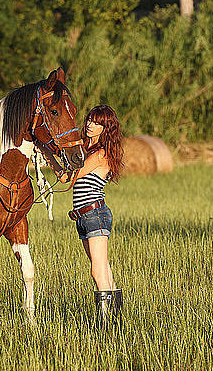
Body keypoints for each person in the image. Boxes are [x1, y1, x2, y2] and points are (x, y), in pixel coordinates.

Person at [61, 105, 124, 326]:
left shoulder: (100, 154)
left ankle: (105, 325)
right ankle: (115, 321)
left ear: (105, 128)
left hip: (94, 214)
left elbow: (69, 177)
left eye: (97, 123)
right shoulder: (90, 151)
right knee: (103, 268)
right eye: (89, 120)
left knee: (97, 270)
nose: (89, 125)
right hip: (84, 216)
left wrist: (52, 160)